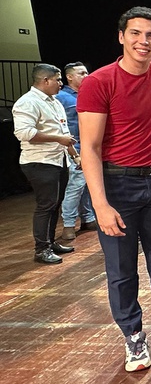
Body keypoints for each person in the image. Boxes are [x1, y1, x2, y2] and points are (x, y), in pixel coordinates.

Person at [78, 6, 151, 372]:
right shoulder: (99, 82)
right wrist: (99, 203)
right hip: (117, 184)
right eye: (135, 33)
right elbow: (90, 149)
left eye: (150, 35)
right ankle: (133, 336)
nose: (143, 41)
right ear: (121, 36)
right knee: (121, 269)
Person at [12, 64, 76, 264]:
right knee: (45, 205)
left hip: (58, 160)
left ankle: (50, 241)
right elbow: (24, 133)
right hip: (39, 162)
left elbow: (64, 134)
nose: (60, 83)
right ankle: (41, 249)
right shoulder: (27, 102)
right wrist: (57, 139)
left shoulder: (55, 102)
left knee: (55, 204)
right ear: (45, 81)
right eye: (57, 80)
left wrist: (75, 156)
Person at [56, 62, 97, 240]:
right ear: (69, 77)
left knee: (88, 186)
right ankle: (68, 224)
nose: (86, 76)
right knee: (75, 186)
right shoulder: (62, 97)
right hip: (74, 148)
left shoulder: (88, 94)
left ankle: (87, 218)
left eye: (87, 72)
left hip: (91, 146)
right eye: (81, 73)